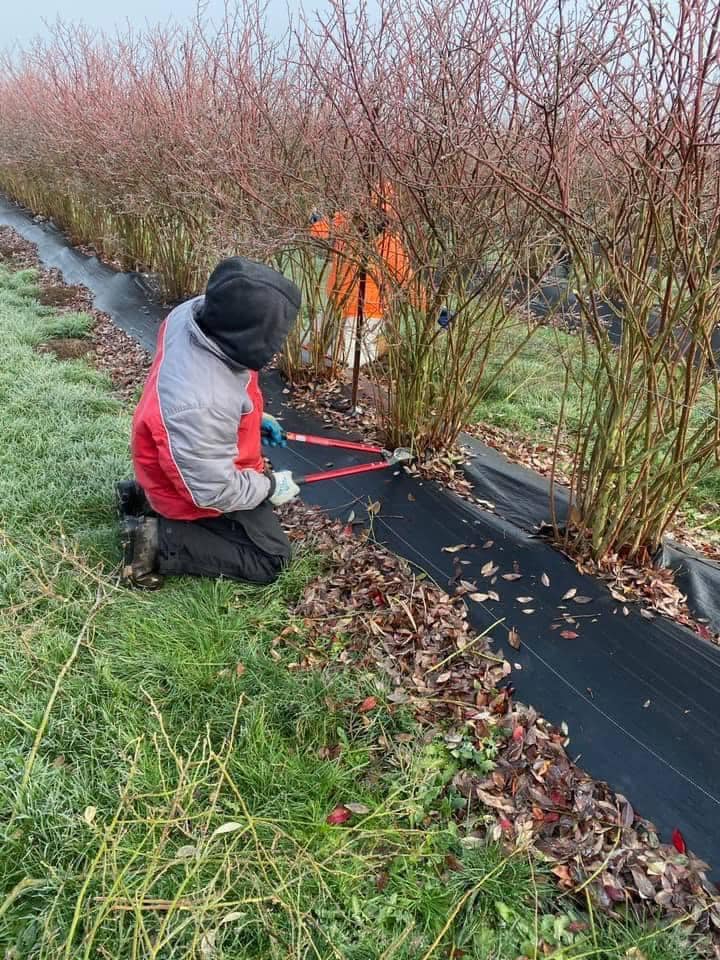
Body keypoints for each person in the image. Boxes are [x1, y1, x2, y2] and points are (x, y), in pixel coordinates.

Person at [116, 256, 302, 589]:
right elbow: (213, 492)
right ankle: (159, 538)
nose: (278, 346)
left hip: (170, 455)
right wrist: (270, 487)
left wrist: (252, 418)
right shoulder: (201, 404)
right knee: (270, 559)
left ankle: (139, 494)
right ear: (246, 332)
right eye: (273, 336)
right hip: (186, 487)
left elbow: (227, 392)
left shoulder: (192, 316)